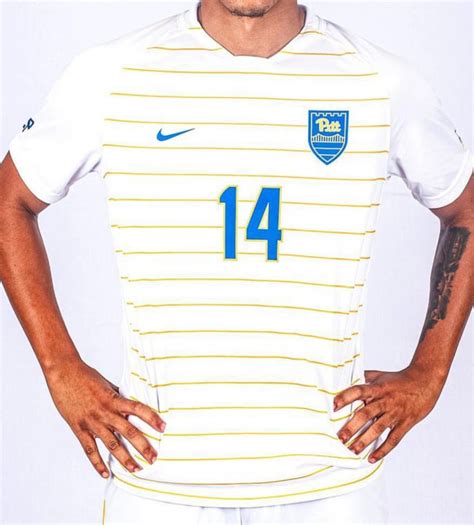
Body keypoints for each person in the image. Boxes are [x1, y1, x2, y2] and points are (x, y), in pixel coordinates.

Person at [0, 1, 472, 523]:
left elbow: (464, 209)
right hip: (159, 481)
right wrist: (60, 367)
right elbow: (9, 202)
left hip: (332, 483)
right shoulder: (112, 75)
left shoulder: (380, 82)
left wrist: (429, 372)